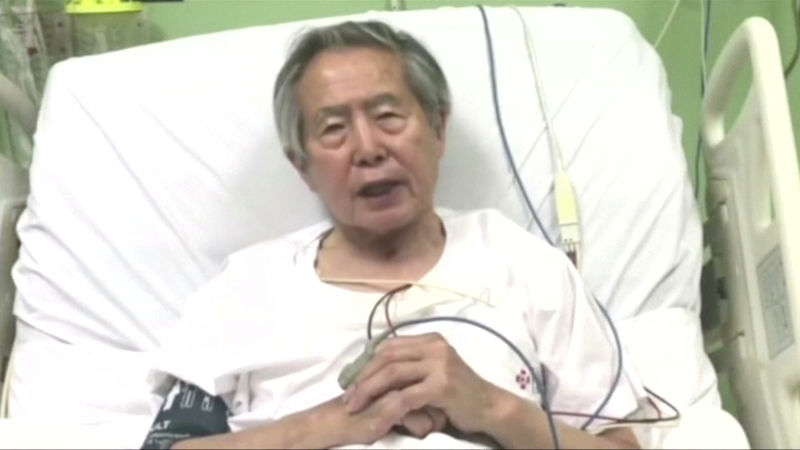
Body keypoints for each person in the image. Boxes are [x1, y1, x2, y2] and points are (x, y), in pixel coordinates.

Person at [143, 20, 652, 449]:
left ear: (437, 129)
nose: (368, 148)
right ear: (302, 166)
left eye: (388, 116)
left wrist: (490, 407)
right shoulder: (249, 287)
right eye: (333, 129)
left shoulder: (524, 267)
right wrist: (333, 422)